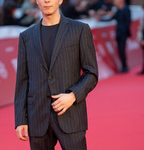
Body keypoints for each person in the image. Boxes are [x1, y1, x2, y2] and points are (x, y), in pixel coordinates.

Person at [14, 0, 98, 149]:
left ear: (60, 0)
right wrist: (20, 119)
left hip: (71, 115)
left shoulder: (79, 29)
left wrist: (73, 96)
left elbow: (91, 73)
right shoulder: (26, 36)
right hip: (38, 119)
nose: (47, 1)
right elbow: (22, 80)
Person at [98, 0, 131, 73]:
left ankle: (125, 66)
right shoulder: (118, 10)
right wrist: (101, 20)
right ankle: (124, 66)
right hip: (118, 33)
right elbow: (111, 18)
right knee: (120, 50)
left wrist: (124, 31)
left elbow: (128, 22)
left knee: (122, 50)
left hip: (123, 34)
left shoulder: (126, 9)